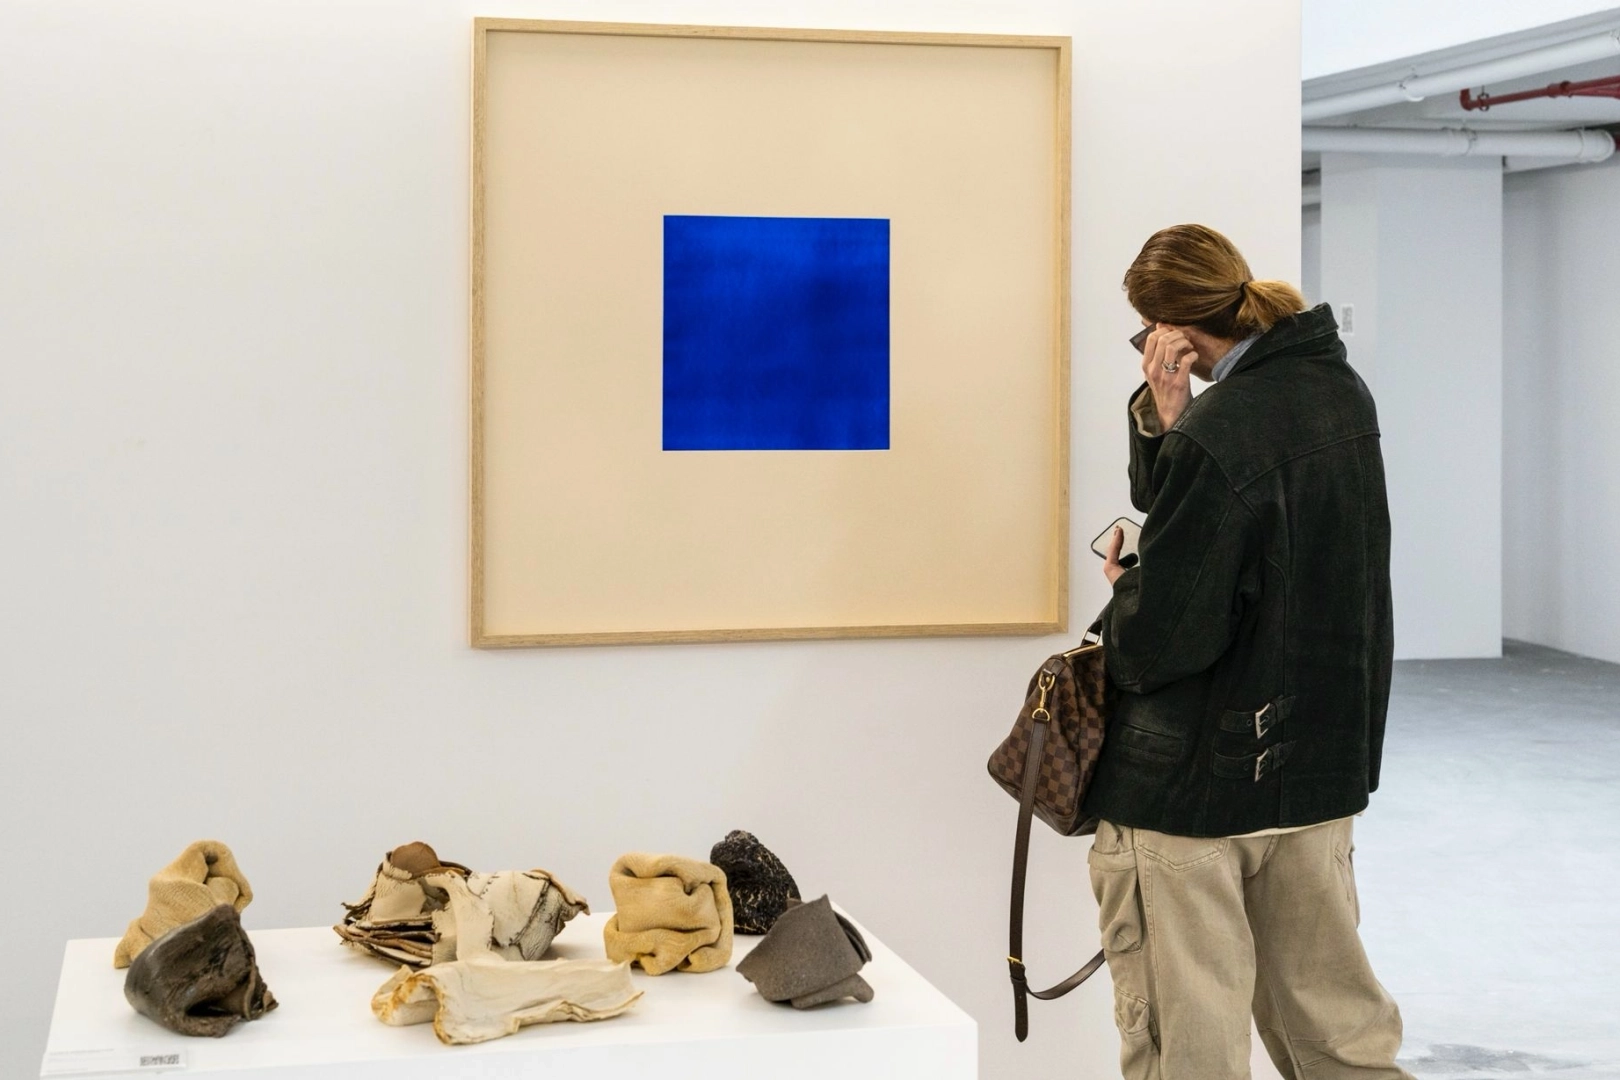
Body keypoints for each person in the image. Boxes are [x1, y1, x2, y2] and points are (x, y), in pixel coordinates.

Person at [1082, 224, 1414, 1080]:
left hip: (1194, 788)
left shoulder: (1223, 425)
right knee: (1338, 1040)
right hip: (1314, 772)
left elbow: (1162, 642)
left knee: (1190, 1049)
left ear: (1173, 330)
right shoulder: (1339, 392)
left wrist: (1127, 589)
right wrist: (1169, 415)